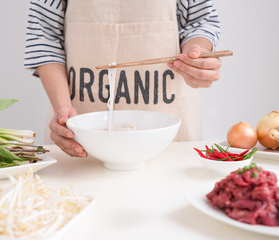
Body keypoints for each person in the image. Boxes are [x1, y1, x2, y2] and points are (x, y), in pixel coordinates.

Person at [24, 0, 222, 158]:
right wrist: (62, 109)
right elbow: (45, 36)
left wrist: (195, 55)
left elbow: (200, 21)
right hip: (81, 132)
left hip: (168, 142)